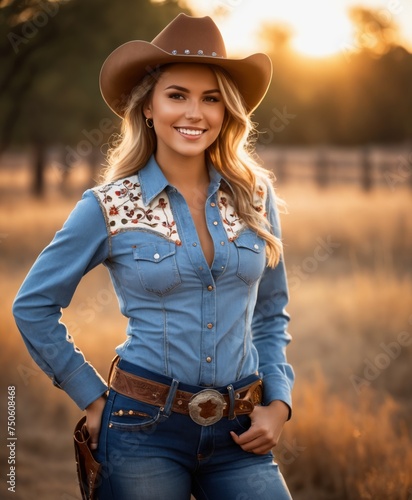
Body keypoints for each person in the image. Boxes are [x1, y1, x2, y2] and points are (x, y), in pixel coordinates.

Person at [13, 13, 295, 499]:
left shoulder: (254, 195)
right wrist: (92, 397)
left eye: (211, 99)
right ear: (148, 107)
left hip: (241, 432)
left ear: (227, 111)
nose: (195, 113)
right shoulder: (108, 206)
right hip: (142, 430)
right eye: (177, 95)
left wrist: (279, 403)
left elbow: (269, 313)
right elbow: (33, 305)